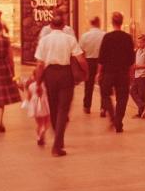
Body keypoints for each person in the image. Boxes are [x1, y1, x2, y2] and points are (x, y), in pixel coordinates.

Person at [33, 13, 88, 156]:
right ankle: (57, 144)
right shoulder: (69, 39)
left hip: (50, 75)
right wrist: (86, 72)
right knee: (63, 110)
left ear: (50, 26)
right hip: (65, 74)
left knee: (54, 108)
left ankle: (58, 140)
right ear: (64, 26)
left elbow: (40, 64)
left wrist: (38, 83)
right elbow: (81, 59)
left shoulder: (44, 40)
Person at [98, 12, 135, 132]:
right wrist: (130, 73)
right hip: (123, 72)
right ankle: (118, 120)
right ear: (122, 22)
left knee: (104, 94)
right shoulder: (128, 38)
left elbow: (101, 58)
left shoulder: (107, 37)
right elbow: (131, 58)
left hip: (109, 72)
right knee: (122, 98)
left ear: (112, 22)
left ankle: (113, 117)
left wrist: (99, 73)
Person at [79, 16, 105, 116]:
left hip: (89, 61)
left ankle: (87, 106)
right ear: (99, 23)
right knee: (103, 84)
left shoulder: (85, 36)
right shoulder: (104, 35)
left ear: (91, 23)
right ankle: (103, 107)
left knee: (88, 84)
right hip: (101, 61)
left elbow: (81, 51)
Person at [21, 77, 50, 146]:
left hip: (35, 106)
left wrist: (26, 104)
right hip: (45, 104)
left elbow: (29, 96)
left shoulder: (31, 86)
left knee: (39, 124)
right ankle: (43, 130)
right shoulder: (46, 84)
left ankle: (38, 137)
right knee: (48, 121)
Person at [131, 34, 145, 118]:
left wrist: (138, 67)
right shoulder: (137, 51)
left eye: (140, 42)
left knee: (141, 94)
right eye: (138, 42)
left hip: (143, 75)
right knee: (132, 91)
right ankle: (142, 107)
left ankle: (141, 112)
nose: (138, 43)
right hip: (137, 75)